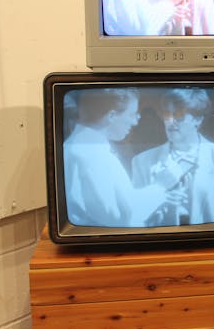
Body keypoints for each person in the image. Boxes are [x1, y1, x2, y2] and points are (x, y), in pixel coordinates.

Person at [63, 88, 175, 227]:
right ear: (111, 115)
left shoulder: (80, 145)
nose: (135, 122)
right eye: (131, 114)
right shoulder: (91, 155)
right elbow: (121, 217)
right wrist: (161, 186)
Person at [132, 88, 214, 226]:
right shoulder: (142, 161)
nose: (170, 121)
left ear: (198, 119)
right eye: (167, 114)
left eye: (178, 115)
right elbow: (135, 217)